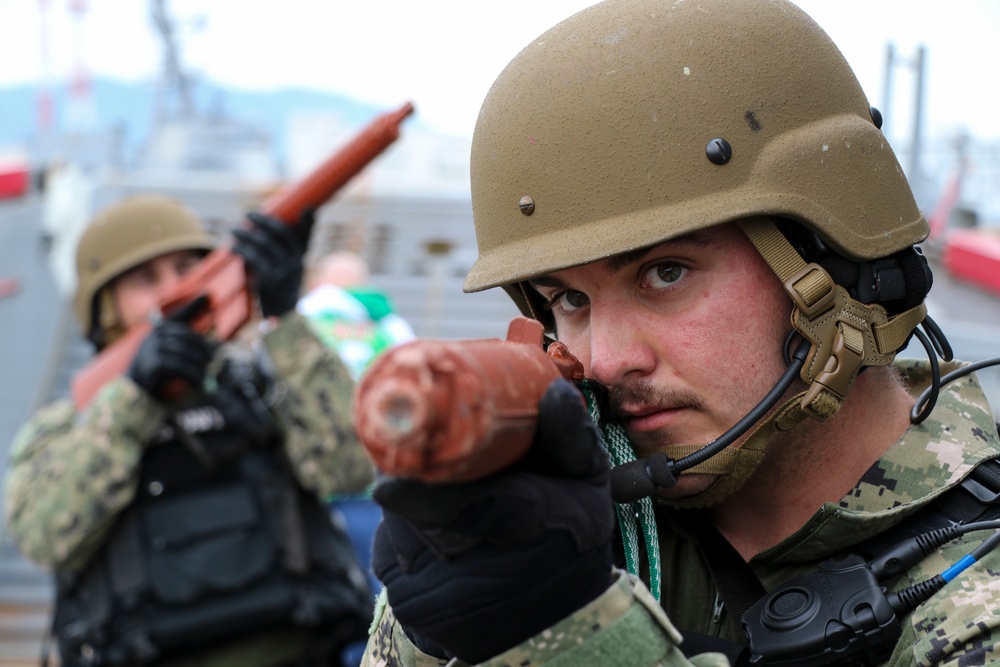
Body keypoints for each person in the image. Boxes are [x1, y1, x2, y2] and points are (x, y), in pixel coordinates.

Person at [361, 1, 1000, 666]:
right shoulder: (553, 536)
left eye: (665, 272)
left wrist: (573, 636)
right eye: (570, 298)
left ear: (837, 262)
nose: (605, 360)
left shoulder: (978, 590)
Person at [4, 194, 376, 667]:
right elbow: (44, 537)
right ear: (106, 308)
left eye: (187, 268)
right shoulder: (69, 426)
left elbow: (349, 470)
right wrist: (135, 398)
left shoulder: (258, 387)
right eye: (146, 279)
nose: (175, 289)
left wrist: (284, 316)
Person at [297, 250, 416, 382]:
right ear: (364, 284)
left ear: (315, 283)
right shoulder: (393, 326)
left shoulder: (303, 315)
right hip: (372, 399)